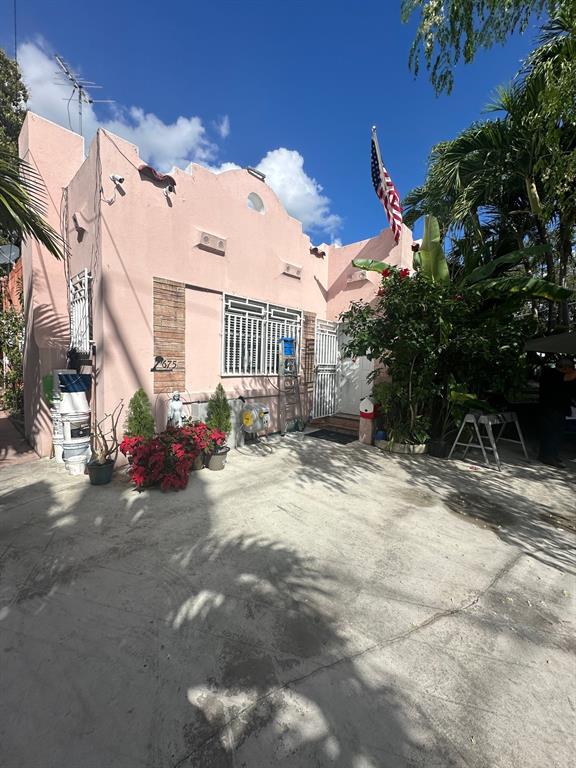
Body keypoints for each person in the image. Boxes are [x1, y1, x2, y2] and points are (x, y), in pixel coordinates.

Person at [538, 357, 576, 468]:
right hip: (551, 409)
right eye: (571, 367)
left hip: (556, 408)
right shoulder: (552, 374)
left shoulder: (555, 375)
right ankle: (548, 456)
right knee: (552, 433)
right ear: (565, 367)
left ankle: (551, 455)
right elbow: (570, 376)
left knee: (556, 433)